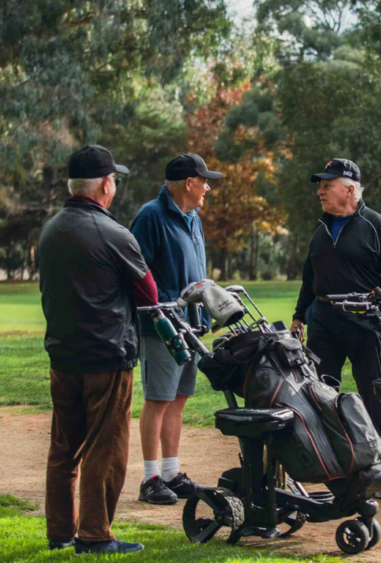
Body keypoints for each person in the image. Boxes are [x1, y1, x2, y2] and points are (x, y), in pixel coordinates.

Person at [39, 145, 160, 555]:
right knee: (105, 448)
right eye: (114, 180)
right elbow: (149, 293)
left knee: (64, 448)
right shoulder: (113, 233)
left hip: (63, 354)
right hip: (107, 357)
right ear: (106, 185)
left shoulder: (51, 229)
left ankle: (59, 531)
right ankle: (94, 534)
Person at [130, 153, 222, 505]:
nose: (208, 188)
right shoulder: (151, 216)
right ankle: (150, 478)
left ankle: (170, 472)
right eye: (205, 181)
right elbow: (137, 270)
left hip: (192, 325)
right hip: (162, 326)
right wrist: (164, 305)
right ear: (189, 183)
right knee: (158, 399)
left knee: (179, 400)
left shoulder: (193, 218)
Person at [291, 158, 381, 442]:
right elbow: (309, 279)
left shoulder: (376, 225)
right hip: (323, 321)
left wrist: (380, 300)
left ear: (350, 190)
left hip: (363, 322)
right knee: (320, 390)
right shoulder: (320, 231)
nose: (320, 192)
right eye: (320, 187)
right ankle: (331, 453)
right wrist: (299, 316)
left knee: (371, 389)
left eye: (327, 186)